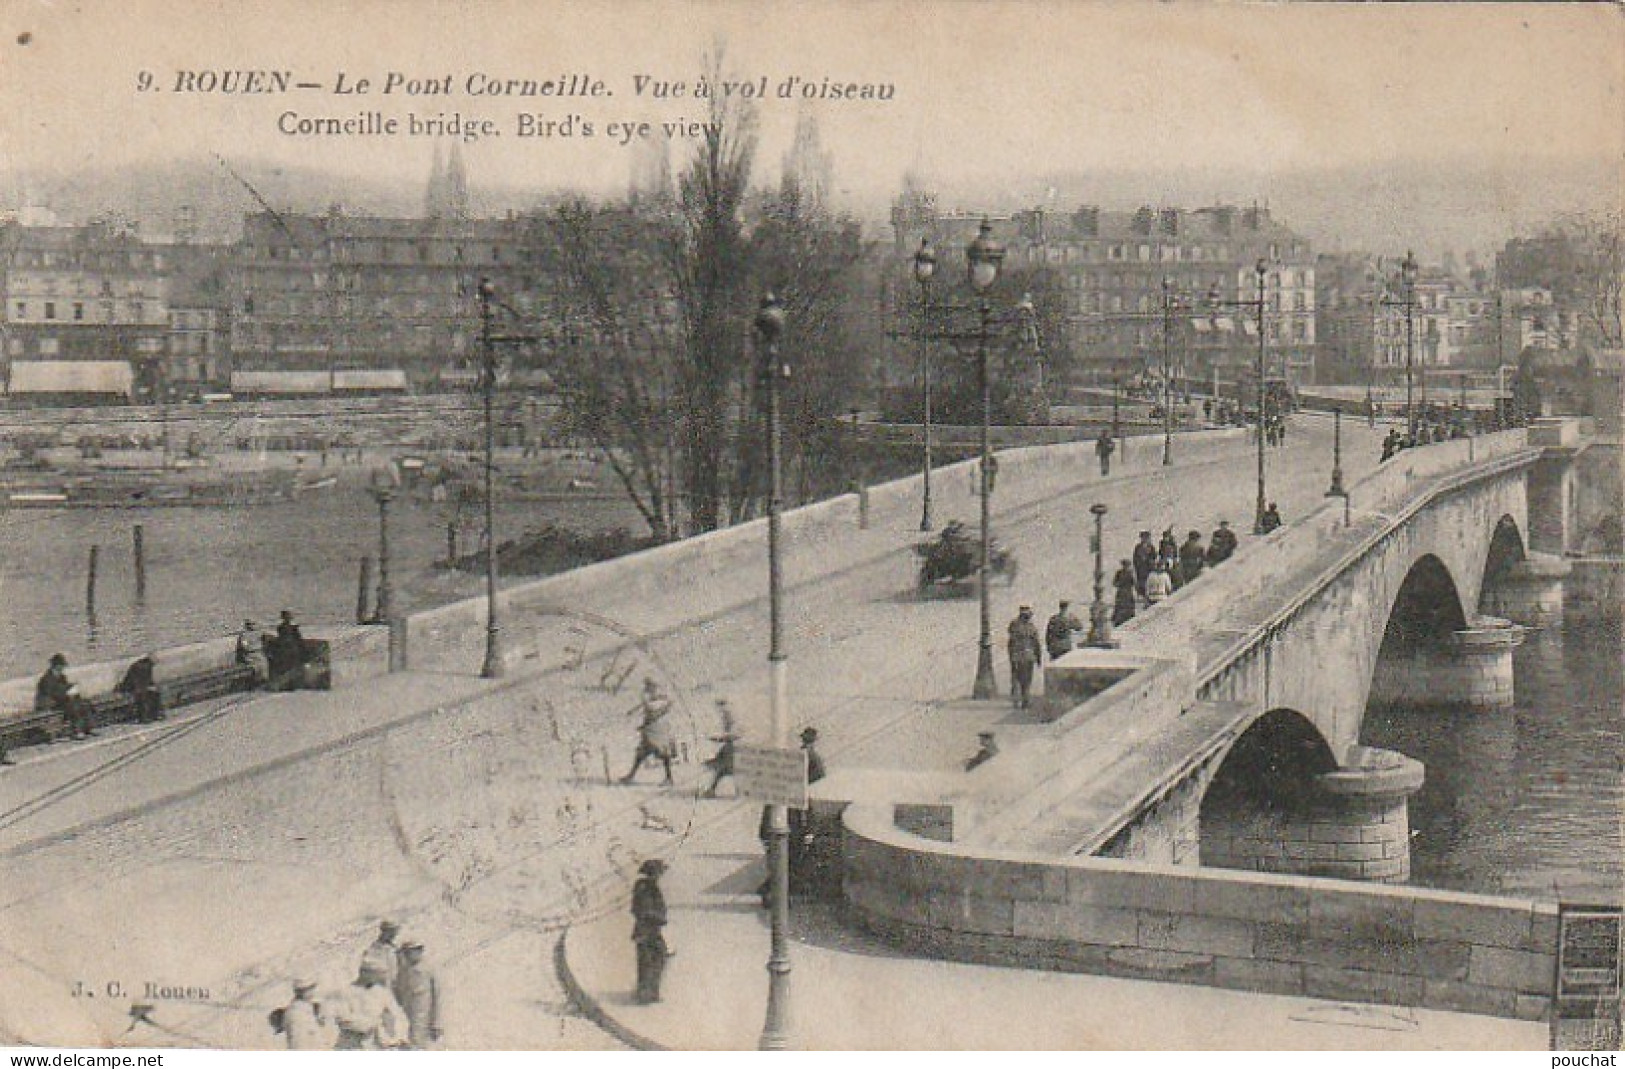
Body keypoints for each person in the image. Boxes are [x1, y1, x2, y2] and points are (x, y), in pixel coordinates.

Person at [329, 962, 408, 1050]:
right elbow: (343, 1018)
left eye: (378, 974)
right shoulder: (346, 992)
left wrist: (400, 1035)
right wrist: (369, 1024)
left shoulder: (381, 992)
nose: (376, 977)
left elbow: (397, 1014)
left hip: (375, 1043)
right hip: (350, 1043)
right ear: (362, 972)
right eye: (373, 973)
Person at [620, 677, 677, 786]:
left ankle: (669, 778)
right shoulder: (650, 698)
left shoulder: (660, 699)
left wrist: (663, 704)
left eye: (650, 685)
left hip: (659, 729)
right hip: (652, 729)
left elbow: (654, 712)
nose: (648, 688)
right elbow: (650, 710)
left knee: (662, 753)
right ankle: (631, 775)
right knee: (642, 753)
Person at [631, 859, 671, 1004]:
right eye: (659, 872)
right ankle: (646, 994)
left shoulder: (647, 886)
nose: (660, 875)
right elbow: (643, 910)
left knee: (655, 959)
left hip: (650, 930)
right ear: (653, 874)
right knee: (651, 961)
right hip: (646, 931)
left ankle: (650, 992)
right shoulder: (645, 888)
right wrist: (660, 918)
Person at [392, 939, 442, 1049]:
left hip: (424, 1021)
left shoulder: (428, 970)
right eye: (405, 952)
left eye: (409, 952)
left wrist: (436, 1023)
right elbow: (397, 995)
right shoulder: (402, 972)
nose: (407, 955)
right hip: (406, 1020)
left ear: (419, 951)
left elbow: (437, 998)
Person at [35, 653, 94, 740]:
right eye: (61, 666)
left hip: (60, 701)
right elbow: (51, 693)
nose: (62, 668)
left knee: (84, 703)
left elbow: (65, 687)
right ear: (56, 666)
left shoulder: (62, 677)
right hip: (49, 703)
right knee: (73, 706)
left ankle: (88, 727)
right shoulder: (46, 678)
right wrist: (67, 693)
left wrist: (72, 688)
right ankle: (77, 731)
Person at [271, 978, 330, 1051]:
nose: (312, 993)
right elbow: (298, 1042)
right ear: (300, 992)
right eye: (309, 990)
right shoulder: (295, 1012)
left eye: (312, 988)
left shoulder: (307, 1007)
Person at [1006, 606, 1043, 710]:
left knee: (1016, 679)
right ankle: (1025, 701)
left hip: (1016, 656)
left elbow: (1010, 643)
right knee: (1026, 680)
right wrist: (1039, 658)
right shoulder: (1032, 628)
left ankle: (1017, 700)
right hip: (1028, 657)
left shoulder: (1014, 626)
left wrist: (1011, 656)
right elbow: (1036, 644)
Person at [701, 698, 738, 798]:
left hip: (732, 749)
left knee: (723, 769)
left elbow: (732, 735)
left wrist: (716, 738)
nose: (719, 710)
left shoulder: (729, 716)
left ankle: (711, 790)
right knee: (724, 771)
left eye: (719, 707)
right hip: (731, 748)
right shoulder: (728, 715)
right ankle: (712, 790)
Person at [117, 653, 163, 723]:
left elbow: (148, 679)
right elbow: (135, 681)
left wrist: (152, 686)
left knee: (154, 694)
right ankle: (144, 717)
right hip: (132, 688)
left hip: (138, 687)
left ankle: (153, 714)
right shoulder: (142, 667)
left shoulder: (146, 666)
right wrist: (148, 687)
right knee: (142, 697)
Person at [360, 919, 402, 989]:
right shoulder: (375, 948)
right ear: (384, 931)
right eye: (391, 931)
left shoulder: (394, 948)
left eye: (395, 932)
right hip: (380, 988)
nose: (394, 935)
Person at [235, 620, 269, 685]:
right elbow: (244, 646)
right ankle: (256, 681)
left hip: (259, 652)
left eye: (253, 624)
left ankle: (264, 680)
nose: (252, 626)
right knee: (255, 665)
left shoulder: (258, 633)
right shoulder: (244, 635)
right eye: (250, 624)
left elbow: (265, 639)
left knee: (264, 663)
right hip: (249, 654)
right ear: (247, 626)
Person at [1112, 558, 1138, 626]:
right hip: (1121, 592)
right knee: (1120, 606)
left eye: (1127, 565)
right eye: (1125, 565)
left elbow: (1134, 583)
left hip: (1128, 592)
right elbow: (1114, 583)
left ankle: (1128, 619)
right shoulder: (1119, 573)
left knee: (1128, 606)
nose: (1126, 567)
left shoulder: (1131, 573)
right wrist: (1119, 584)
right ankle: (1119, 620)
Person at [1131, 530, 1157, 597]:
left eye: (1146, 538)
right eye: (1143, 538)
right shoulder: (1138, 547)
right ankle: (1142, 595)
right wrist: (1138, 563)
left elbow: (1154, 557)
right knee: (1141, 584)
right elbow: (1135, 558)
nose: (1145, 539)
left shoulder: (1151, 547)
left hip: (1149, 569)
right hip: (1140, 569)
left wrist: (1149, 560)